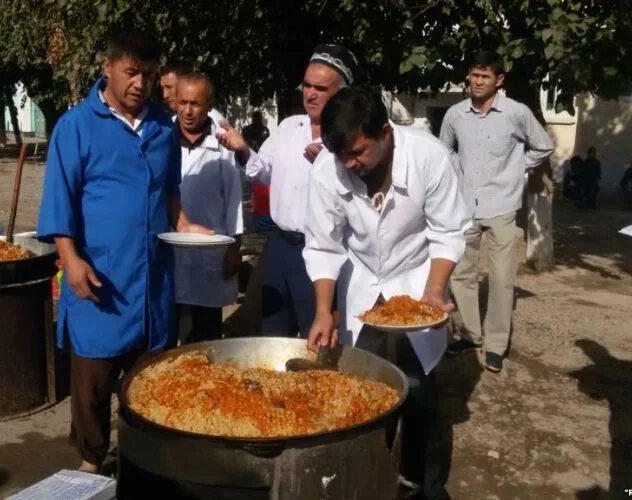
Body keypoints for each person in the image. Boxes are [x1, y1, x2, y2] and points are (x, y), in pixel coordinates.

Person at [36, 31, 211, 473]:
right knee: (92, 382)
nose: (140, 84)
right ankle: (91, 461)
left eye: (149, 75)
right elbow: (60, 200)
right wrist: (70, 260)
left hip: (151, 280)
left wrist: (187, 226)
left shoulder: (161, 129)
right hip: (100, 279)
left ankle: (140, 460)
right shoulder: (76, 127)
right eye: (132, 73)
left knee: (148, 380)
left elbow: (170, 194)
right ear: (108, 68)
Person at [304, 86, 470, 500]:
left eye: (358, 153)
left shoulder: (429, 157)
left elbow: (447, 231)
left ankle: (425, 484)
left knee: (419, 387)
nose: (350, 164)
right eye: (343, 155)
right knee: (362, 384)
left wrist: (433, 291)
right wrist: (324, 311)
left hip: (417, 279)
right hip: (361, 280)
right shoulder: (329, 168)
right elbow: (324, 245)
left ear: (384, 132)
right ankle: (368, 479)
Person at [217, 43, 359, 337]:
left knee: (318, 338)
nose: (310, 94)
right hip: (280, 246)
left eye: (320, 88)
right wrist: (243, 150)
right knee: (272, 333)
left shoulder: (354, 140)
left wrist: (332, 163)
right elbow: (264, 172)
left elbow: (362, 197)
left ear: (341, 93)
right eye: (306, 85)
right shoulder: (289, 128)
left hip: (323, 251)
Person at [439, 49, 554, 373]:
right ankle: (471, 334)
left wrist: (518, 169)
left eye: (484, 76)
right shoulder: (456, 114)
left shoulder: (516, 113)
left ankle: (495, 346)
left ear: (498, 80)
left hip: (502, 206)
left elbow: (543, 145)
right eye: (474, 75)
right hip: (464, 206)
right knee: (461, 274)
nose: (477, 82)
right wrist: (455, 173)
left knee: (502, 279)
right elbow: (444, 147)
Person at [173, 73, 243, 343]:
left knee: (207, 331)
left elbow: (234, 198)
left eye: (196, 104)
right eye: (182, 102)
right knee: (173, 325)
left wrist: (234, 247)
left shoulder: (222, 142)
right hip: (173, 248)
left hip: (212, 248)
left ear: (209, 104)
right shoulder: (163, 137)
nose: (188, 111)